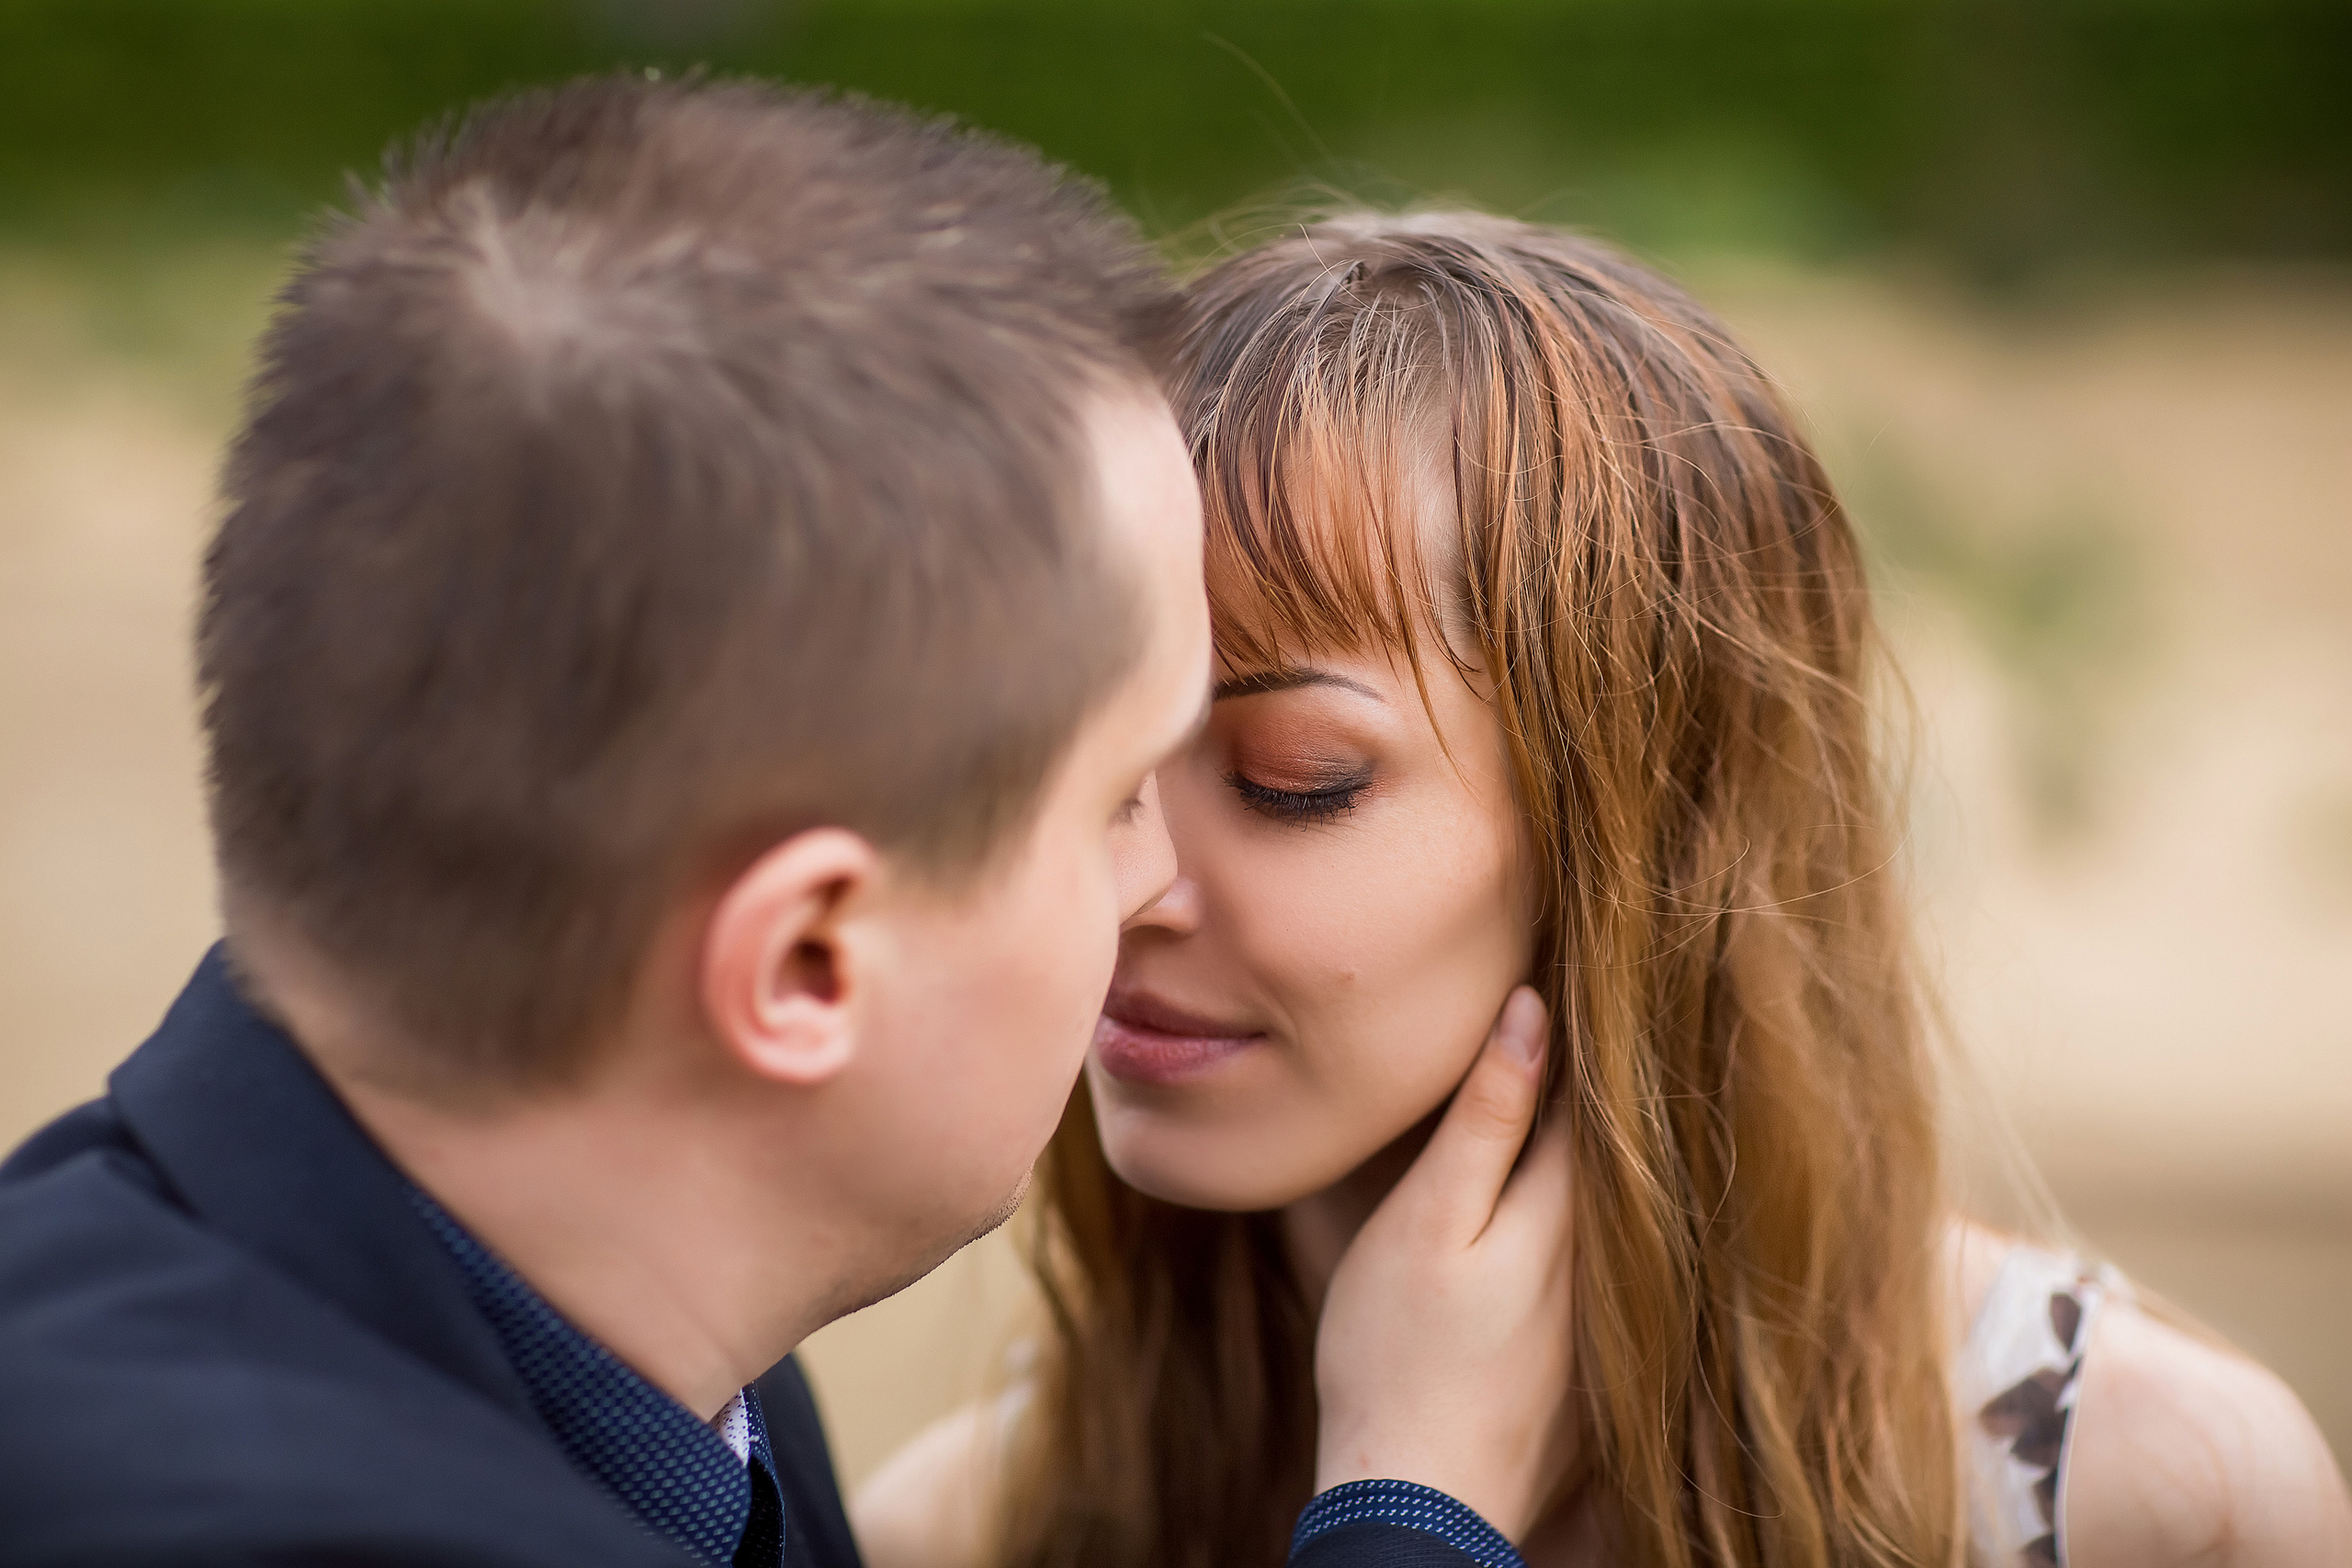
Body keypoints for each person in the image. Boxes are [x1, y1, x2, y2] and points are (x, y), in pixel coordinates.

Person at [0, 88, 1577, 1568]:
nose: (1161, 875)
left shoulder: (654, 1383)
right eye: (1113, 801)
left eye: (1284, 776)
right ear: (809, 960)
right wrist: (1407, 1510)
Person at [852, 212, 2352, 1568]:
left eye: (1291, 773)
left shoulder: (2145, 1501)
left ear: (1649, 835)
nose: (1124, 881)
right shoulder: (978, 1524)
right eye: (1085, 762)